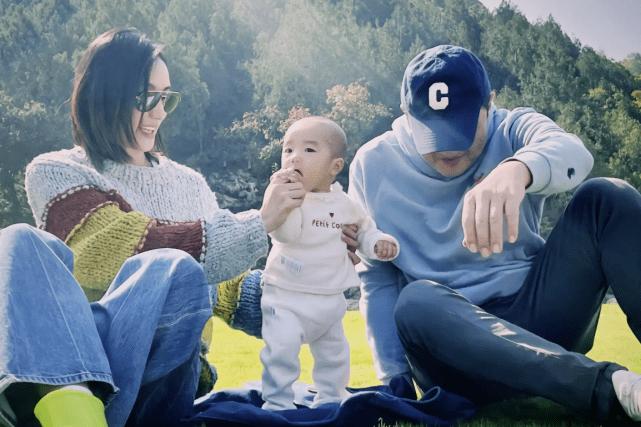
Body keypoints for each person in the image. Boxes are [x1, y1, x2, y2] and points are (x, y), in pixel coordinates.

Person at [0, 28, 303, 427]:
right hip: (83, 358)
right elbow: (121, 250)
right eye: (147, 97)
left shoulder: (190, 184)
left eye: (166, 97)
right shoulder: (56, 171)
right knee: (18, 240)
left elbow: (224, 290)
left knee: (177, 272)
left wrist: (318, 274)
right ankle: (75, 410)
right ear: (105, 96)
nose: (159, 112)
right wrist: (260, 223)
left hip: (160, 372)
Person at [346, 44, 641, 423]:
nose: (447, 148)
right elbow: (377, 278)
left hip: (540, 319)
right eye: (431, 133)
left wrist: (519, 168)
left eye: (461, 129)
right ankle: (609, 388)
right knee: (415, 300)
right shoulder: (372, 163)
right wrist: (394, 380)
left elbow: (574, 153)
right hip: (452, 350)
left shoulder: (513, 127)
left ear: (490, 104)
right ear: (406, 113)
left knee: (607, 196)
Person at [259, 116, 399, 410]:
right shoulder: (286, 199)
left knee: (334, 353)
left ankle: (331, 397)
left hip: (330, 297)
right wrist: (285, 201)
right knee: (281, 349)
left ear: (335, 167)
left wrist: (378, 243)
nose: (294, 157)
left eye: (309, 150)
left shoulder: (345, 204)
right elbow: (285, 234)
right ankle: (277, 401)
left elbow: (363, 231)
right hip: (286, 294)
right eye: (288, 150)